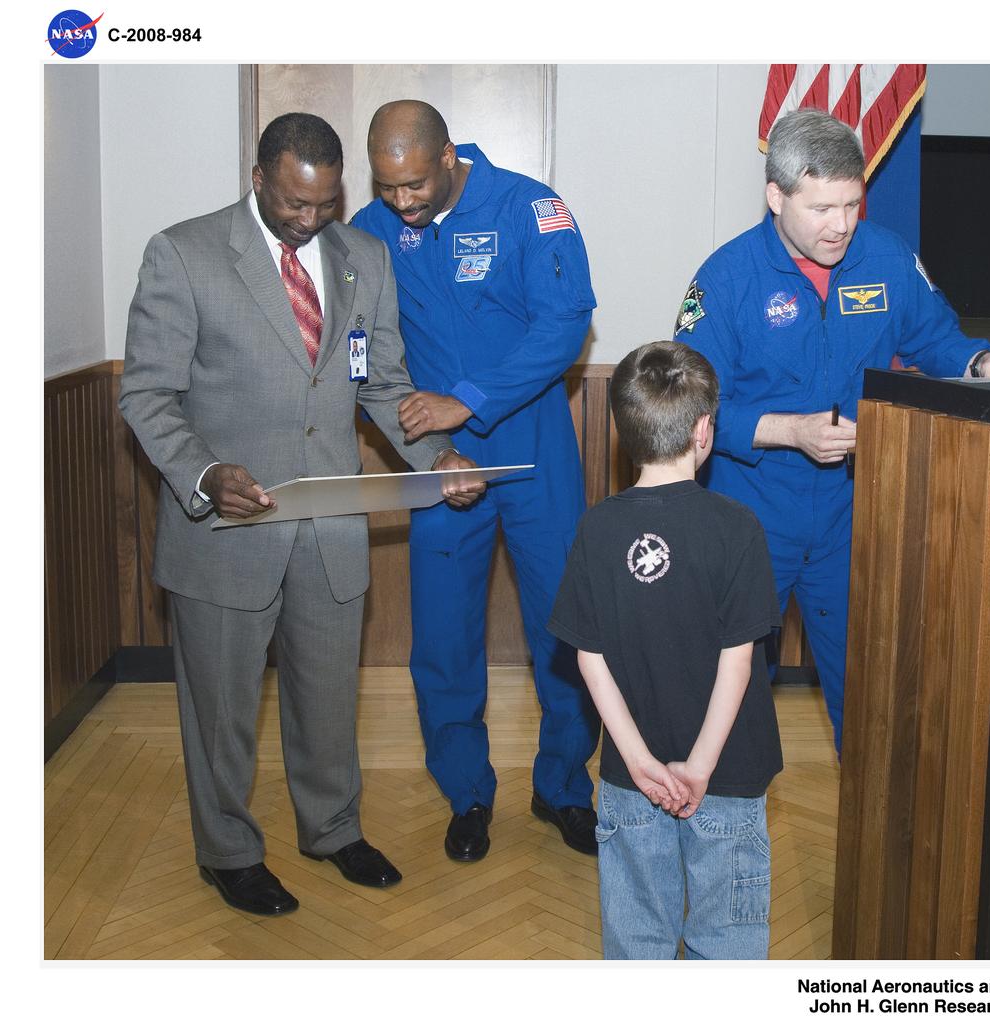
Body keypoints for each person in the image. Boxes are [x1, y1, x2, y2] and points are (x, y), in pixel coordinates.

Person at [118, 112, 482, 917]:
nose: (310, 220)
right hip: (227, 531)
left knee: (327, 699)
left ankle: (333, 829)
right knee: (222, 712)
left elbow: (380, 382)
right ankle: (229, 852)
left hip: (331, 532)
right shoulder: (186, 253)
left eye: (323, 205)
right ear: (259, 179)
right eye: (292, 205)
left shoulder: (365, 258)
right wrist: (206, 473)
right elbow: (146, 394)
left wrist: (434, 459)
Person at [675, 108, 990, 753]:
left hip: (852, 510)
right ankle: (730, 836)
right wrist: (788, 430)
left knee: (869, 689)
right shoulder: (725, 279)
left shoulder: (887, 256)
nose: (841, 225)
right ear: (775, 197)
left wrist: (981, 361)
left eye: (853, 204)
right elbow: (690, 406)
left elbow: (938, 337)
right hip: (753, 514)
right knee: (731, 690)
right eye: (822, 208)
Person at [350, 100, 600, 861]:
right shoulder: (368, 229)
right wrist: (434, 445)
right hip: (442, 462)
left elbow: (566, 323)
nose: (403, 203)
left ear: (449, 155)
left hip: (534, 450)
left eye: (416, 185)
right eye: (389, 188)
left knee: (565, 629)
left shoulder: (530, 206)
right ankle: (466, 793)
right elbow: (365, 354)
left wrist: (475, 397)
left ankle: (564, 786)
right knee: (444, 637)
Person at [548, 341, 783, 959]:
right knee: (725, 939)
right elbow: (739, 660)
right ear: (705, 431)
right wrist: (698, 767)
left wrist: (642, 762)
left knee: (637, 939)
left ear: (624, 433)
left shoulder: (596, 528)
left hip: (633, 778)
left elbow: (588, 658)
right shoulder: (738, 528)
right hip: (726, 774)